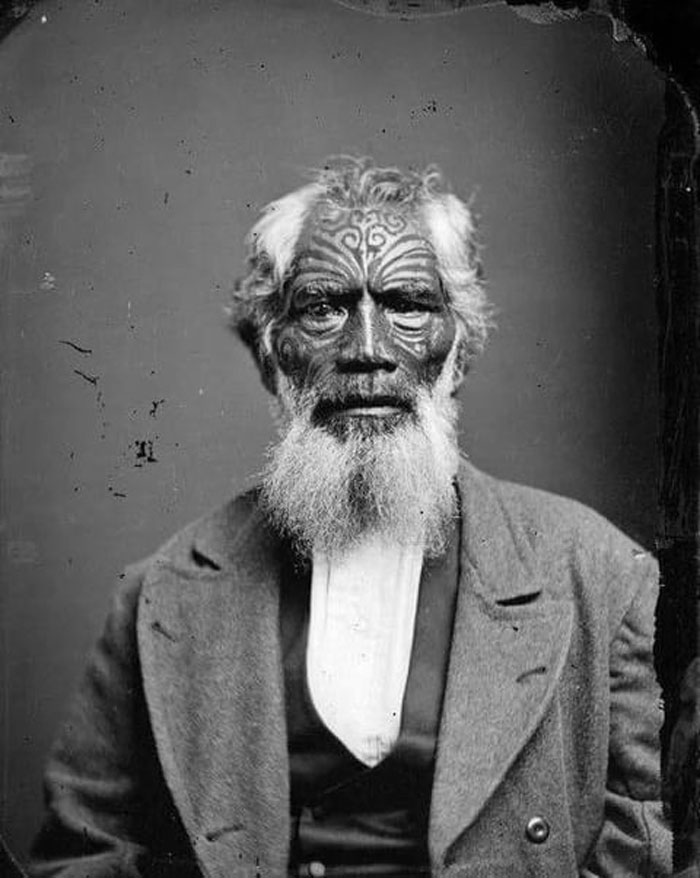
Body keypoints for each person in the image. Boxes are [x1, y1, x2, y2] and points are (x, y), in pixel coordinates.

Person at [30, 157, 672, 877]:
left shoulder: (604, 577)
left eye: (407, 305)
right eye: (323, 307)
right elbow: (81, 856)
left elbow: (652, 844)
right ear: (270, 350)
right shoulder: (159, 595)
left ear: (457, 348)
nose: (367, 351)